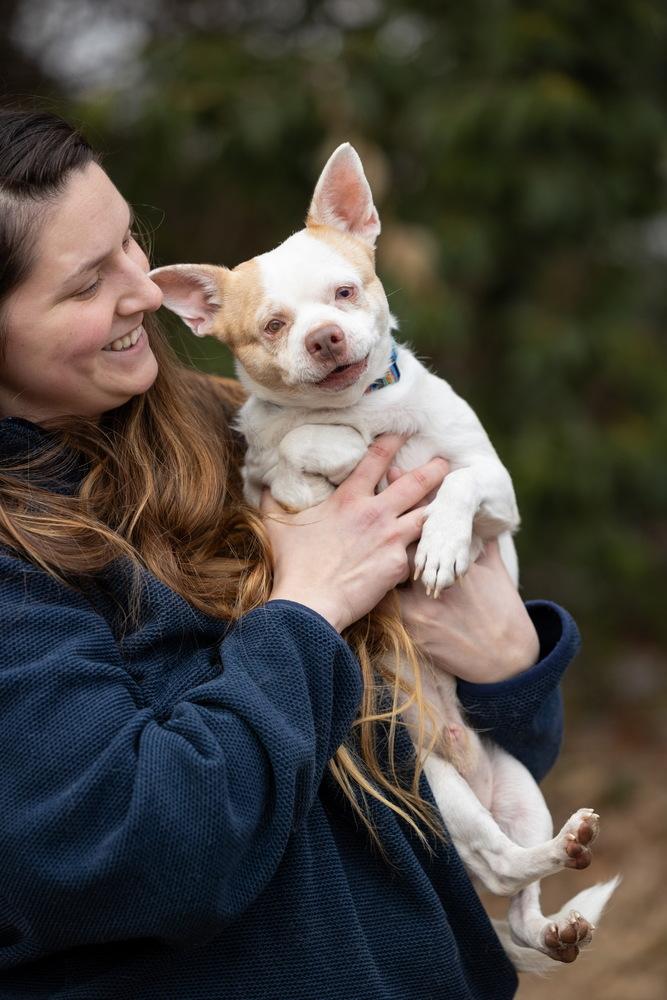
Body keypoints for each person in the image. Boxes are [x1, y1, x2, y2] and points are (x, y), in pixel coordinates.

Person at [0, 109, 580, 1000]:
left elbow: (487, 742)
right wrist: (304, 611)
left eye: (128, 242)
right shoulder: (20, 570)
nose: (142, 291)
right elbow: (140, 859)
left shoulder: (243, 422)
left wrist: (509, 658)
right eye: (85, 285)